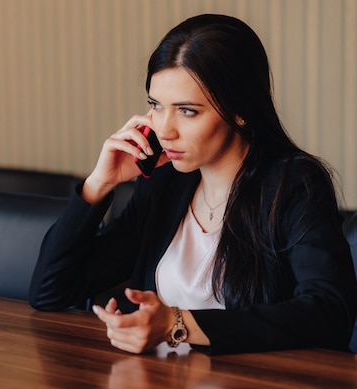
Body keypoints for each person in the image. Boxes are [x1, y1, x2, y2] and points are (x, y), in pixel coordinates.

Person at [28, 14, 357, 355]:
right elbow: (50, 291)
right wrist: (99, 183)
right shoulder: (164, 184)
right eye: (156, 106)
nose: (164, 130)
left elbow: (329, 313)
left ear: (239, 109)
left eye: (187, 111)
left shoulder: (292, 184)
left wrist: (176, 324)